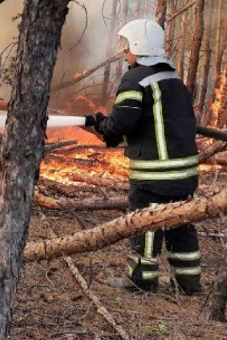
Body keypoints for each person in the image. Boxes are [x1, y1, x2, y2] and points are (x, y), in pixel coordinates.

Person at [84, 18, 201, 295]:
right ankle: (188, 282)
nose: (125, 53)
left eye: (127, 47)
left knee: (145, 221)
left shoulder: (136, 78)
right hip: (185, 172)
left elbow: (122, 122)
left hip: (154, 174)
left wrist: (101, 127)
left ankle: (142, 280)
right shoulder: (172, 79)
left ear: (138, 46)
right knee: (180, 221)